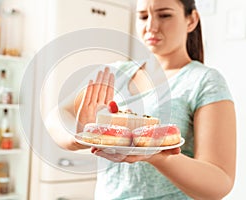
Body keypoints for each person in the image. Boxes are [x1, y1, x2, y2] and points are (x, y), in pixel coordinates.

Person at [46, 0, 236, 199]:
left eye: (164, 15)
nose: (151, 26)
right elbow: (56, 116)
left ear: (191, 20)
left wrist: (158, 157)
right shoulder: (116, 73)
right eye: (143, 16)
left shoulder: (205, 81)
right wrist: (80, 136)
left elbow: (219, 182)